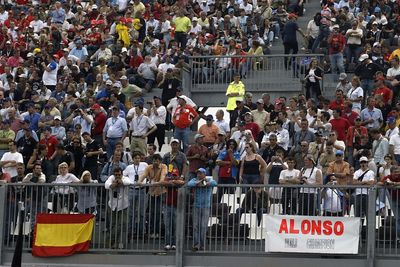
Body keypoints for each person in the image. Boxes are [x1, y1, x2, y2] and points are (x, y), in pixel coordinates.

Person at [138, 154, 167, 238]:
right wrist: (140, 182)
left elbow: (162, 178)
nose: (155, 162)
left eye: (157, 160)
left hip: (161, 192)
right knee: (151, 213)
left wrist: (156, 183)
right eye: (154, 160)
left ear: (160, 161)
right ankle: (151, 232)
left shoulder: (164, 167)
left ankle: (157, 232)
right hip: (151, 193)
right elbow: (143, 176)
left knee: (158, 212)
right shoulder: (149, 167)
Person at [187, 168, 217, 251]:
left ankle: (202, 245)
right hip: (196, 206)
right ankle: (196, 244)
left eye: (200, 173)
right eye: (198, 173)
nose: (198, 175)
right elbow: (189, 184)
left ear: (204, 174)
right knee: (195, 226)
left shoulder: (209, 179)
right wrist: (198, 183)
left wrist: (207, 183)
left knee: (203, 226)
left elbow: (215, 183)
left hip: (206, 206)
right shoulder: (194, 180)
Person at [105, 167, 131, 249]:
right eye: (116, 175)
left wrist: (120, 182)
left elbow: (128, 182)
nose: (117, 176)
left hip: (123, 205)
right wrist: (115, 184)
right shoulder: (111, 178)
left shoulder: (125, 178)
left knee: (122, 224)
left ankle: (114, 241)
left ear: (122, 174)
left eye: (119, 174)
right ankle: (113, 243)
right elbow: (106, 185)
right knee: (112, 224)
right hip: (112, 205)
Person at [123, 152, 148, 237]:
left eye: (139, 158)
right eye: (136, 158)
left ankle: (142, 232)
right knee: (131, 212)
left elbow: (148, 173)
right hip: (132, 189)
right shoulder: (129, 167)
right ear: (133, 159)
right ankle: (130, 231)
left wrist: (146, 181)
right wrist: (128, 181)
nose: (137, 159)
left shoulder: (144, 165)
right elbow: (123, 175)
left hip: (142, 189)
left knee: (142, 212)